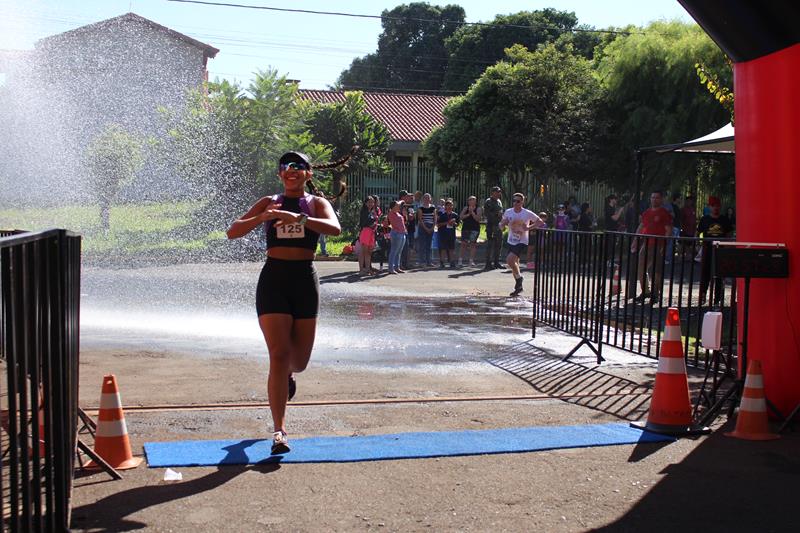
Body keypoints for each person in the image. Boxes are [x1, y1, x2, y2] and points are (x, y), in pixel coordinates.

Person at [226, 150, 347, 455]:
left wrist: (300, 218)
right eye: (285, 167)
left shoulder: (316, 204)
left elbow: (335, 229)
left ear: (308, 173)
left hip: (304, 281)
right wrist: (263, 217)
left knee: (299, 361)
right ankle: (279, 430)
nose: (290, 170)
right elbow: (232, 232)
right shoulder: (269, 201)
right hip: (274, 281)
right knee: (279, 354)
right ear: (280, 174)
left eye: (298, 166)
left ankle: (290, 375)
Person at [500, 193, 545, 296]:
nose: (515, 203)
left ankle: (519, 279)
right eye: (514, 200)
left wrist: (528, 228)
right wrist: (502, 224)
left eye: (518, 201)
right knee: (514, 263)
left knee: (509, 260)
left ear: (522, 202)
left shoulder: (527, 213)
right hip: (511, 240)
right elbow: (501, 225)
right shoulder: (508, 212)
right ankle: (519, 285)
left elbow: (540, 222)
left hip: (522, 241)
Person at [632, 190, 673, 302]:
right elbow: (641, 226)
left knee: (656, 270)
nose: (654, 199)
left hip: (658, 244)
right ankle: (645, 291)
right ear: (650, 199)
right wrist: (635, 239)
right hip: (646, 243)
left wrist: (664, 244)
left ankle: (655, 294)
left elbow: (668, 230)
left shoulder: (664, 213)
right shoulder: (646, 213)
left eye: (657, 197)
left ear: (661, 199)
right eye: (652, 197)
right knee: (641, 268)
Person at [698, 196, 734, 306]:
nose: (715, 208)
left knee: (719, 274)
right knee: (705, 273)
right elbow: (699, 233)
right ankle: (702, 295)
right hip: (707, 250)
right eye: (713, 206)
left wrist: (727, 248)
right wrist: (700, 245)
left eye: (717, 206)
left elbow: (729, 234)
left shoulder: (724, 220)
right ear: (709, 207)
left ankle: (717, 299)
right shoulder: (704, 219)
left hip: (720, 251)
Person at [483, 186, 504, 270]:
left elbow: (501, 213)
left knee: (499, 244)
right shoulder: (489, 201)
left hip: (498, 226)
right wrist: (496, 214)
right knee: (490, 245)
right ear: (493, 192)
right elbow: (487, 214)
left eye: (499, 191)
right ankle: (488, 263)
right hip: (491, 226)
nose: (499, 193)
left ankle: (496, 262)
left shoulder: (499, 201)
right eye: (497, 191)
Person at [458, 195, 482, 267]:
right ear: (468, 201)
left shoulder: (478, 209)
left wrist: (472, 213)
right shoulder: (465, 208)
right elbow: (461, 217)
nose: (472, 201)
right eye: (470, 200)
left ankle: (471, 261)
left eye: (473, 200)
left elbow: (478, 219)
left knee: (473, 244)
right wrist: (468, 214)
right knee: (463, 244)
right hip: (466, 228)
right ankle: (460, 260)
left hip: (475, 228)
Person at [357, 197, 377, 275]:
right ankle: (361, 270)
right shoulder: (364, 212)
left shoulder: (371, 212)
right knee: (363, 251)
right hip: (365, 232)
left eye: (372, 202)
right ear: (365, 203)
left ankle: (367, 269)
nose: (371, 204)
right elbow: (365, 222)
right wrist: (373, 222)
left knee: (369, 252)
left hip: (371, 232)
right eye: (369, 202)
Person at [387, 200, 408, 274]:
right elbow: (399, 203)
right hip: (396, 233)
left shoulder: (398, 213)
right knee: (394, 251)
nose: (398, 206)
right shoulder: (391, 213)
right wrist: (401, 201)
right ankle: (391, 268)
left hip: (402, 233)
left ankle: (397, 267)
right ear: (393, 207)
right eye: (396, 205)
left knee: (399, 252)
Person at [436, 199, 459, 268]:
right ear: (445, 207)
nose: (449, 207)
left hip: (451, 234)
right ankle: (442, 262)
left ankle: (452, 262)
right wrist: (447, 223)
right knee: (443, 248)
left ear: (452, 206)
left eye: (450, 205)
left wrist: (454, 223)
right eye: (447, 205)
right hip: (443, 233)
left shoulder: (455, 215)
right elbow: (438, 224)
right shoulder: (442, 215)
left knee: (451, 248)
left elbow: (457, 224)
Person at [416, 193, 437, 267]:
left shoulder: (433, 207)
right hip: (423, 226)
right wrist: (425, 228)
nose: (427, 199)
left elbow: (435, 218)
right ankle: (421, 262)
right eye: (425, 197)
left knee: (429, 245)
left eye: (428, 198)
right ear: (423, 199)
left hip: (431, 226)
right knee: (422, 245)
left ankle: (429, 261)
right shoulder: (420, 207)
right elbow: (420, 219)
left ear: (430, 199)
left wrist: (432, 227)